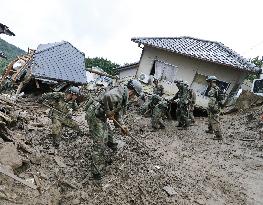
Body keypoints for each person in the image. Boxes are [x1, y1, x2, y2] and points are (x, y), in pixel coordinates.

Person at [85, 79, 143, 180]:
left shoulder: (123, 95)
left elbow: (117, 114)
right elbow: (107, 96)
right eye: (134, 95)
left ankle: (104, 156)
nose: (134, 98)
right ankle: (96, 172)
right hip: (95, 115)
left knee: (108, 135)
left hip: (101, 115)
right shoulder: (119, 93)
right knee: (100, 143)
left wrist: (122, 126)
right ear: (132, 92)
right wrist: (108, 111)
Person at [206, 76, 224, 140]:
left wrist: (216, 108)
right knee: (210, 119)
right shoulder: (212, 89)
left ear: (212, 82)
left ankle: (219, 136)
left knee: (215, 121)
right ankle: (210, 130)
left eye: (208, 81)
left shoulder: (216, 89)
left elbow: (220, 100)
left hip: (215, 108)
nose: (207, 83)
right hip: (211, 107)